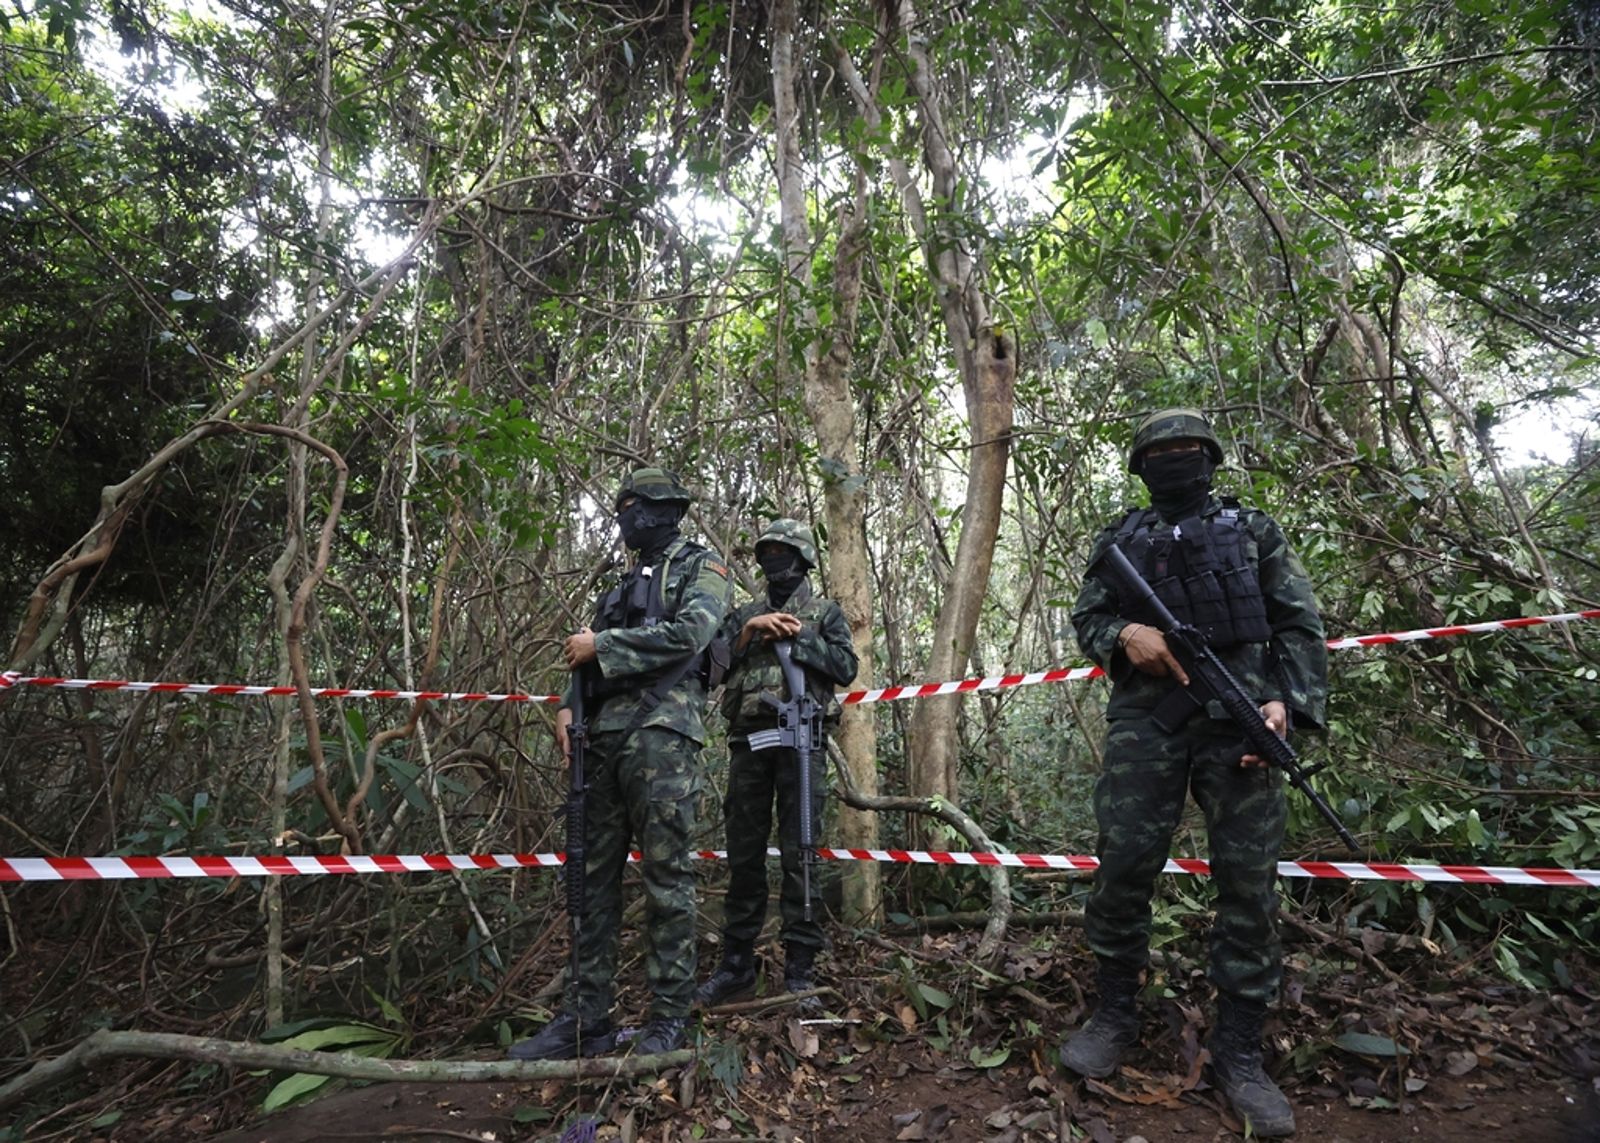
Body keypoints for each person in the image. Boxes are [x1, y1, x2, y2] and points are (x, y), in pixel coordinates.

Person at [1064, 408, 1328, 1138]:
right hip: (1147, 725)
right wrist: (1125, 633)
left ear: (1211, 459)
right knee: (1122, 864)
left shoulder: (1255, 531)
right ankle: (1115, 1010)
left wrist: (1285, 704)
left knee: (1247, 882)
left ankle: (1240, 1049)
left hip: (1239, 722)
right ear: (1141, 466)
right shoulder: (1120, 540)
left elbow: (1299, 625)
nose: (1176, 461)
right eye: (1161, 452)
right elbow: (1086, 615)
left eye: (1188, 451)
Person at [509, 466, 732, 1060]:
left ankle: (668, 1018)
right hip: (598, 743)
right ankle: (585, 1020)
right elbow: (583, 663)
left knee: (668, 880)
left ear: (661, 509)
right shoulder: (622, 585)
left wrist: (602, 646)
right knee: (590, 884)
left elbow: (692, 634)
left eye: (632, 507)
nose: (625, 519)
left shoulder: (700, 567)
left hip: (663, 739)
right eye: (621, 509)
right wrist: (563, 707)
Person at [694, 518, 859, 1007]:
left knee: (800, 853)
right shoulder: (745, 611)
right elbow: (713, 667)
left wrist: (798, 635)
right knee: (743, 854)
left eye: (782, 553)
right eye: (766, 553)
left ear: (804, 559)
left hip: (803, 744)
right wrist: (750, 630)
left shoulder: (825, 613)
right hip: (750, 741)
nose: (773, 563)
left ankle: (801, 968)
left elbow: (846, 668)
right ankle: (736, 965)